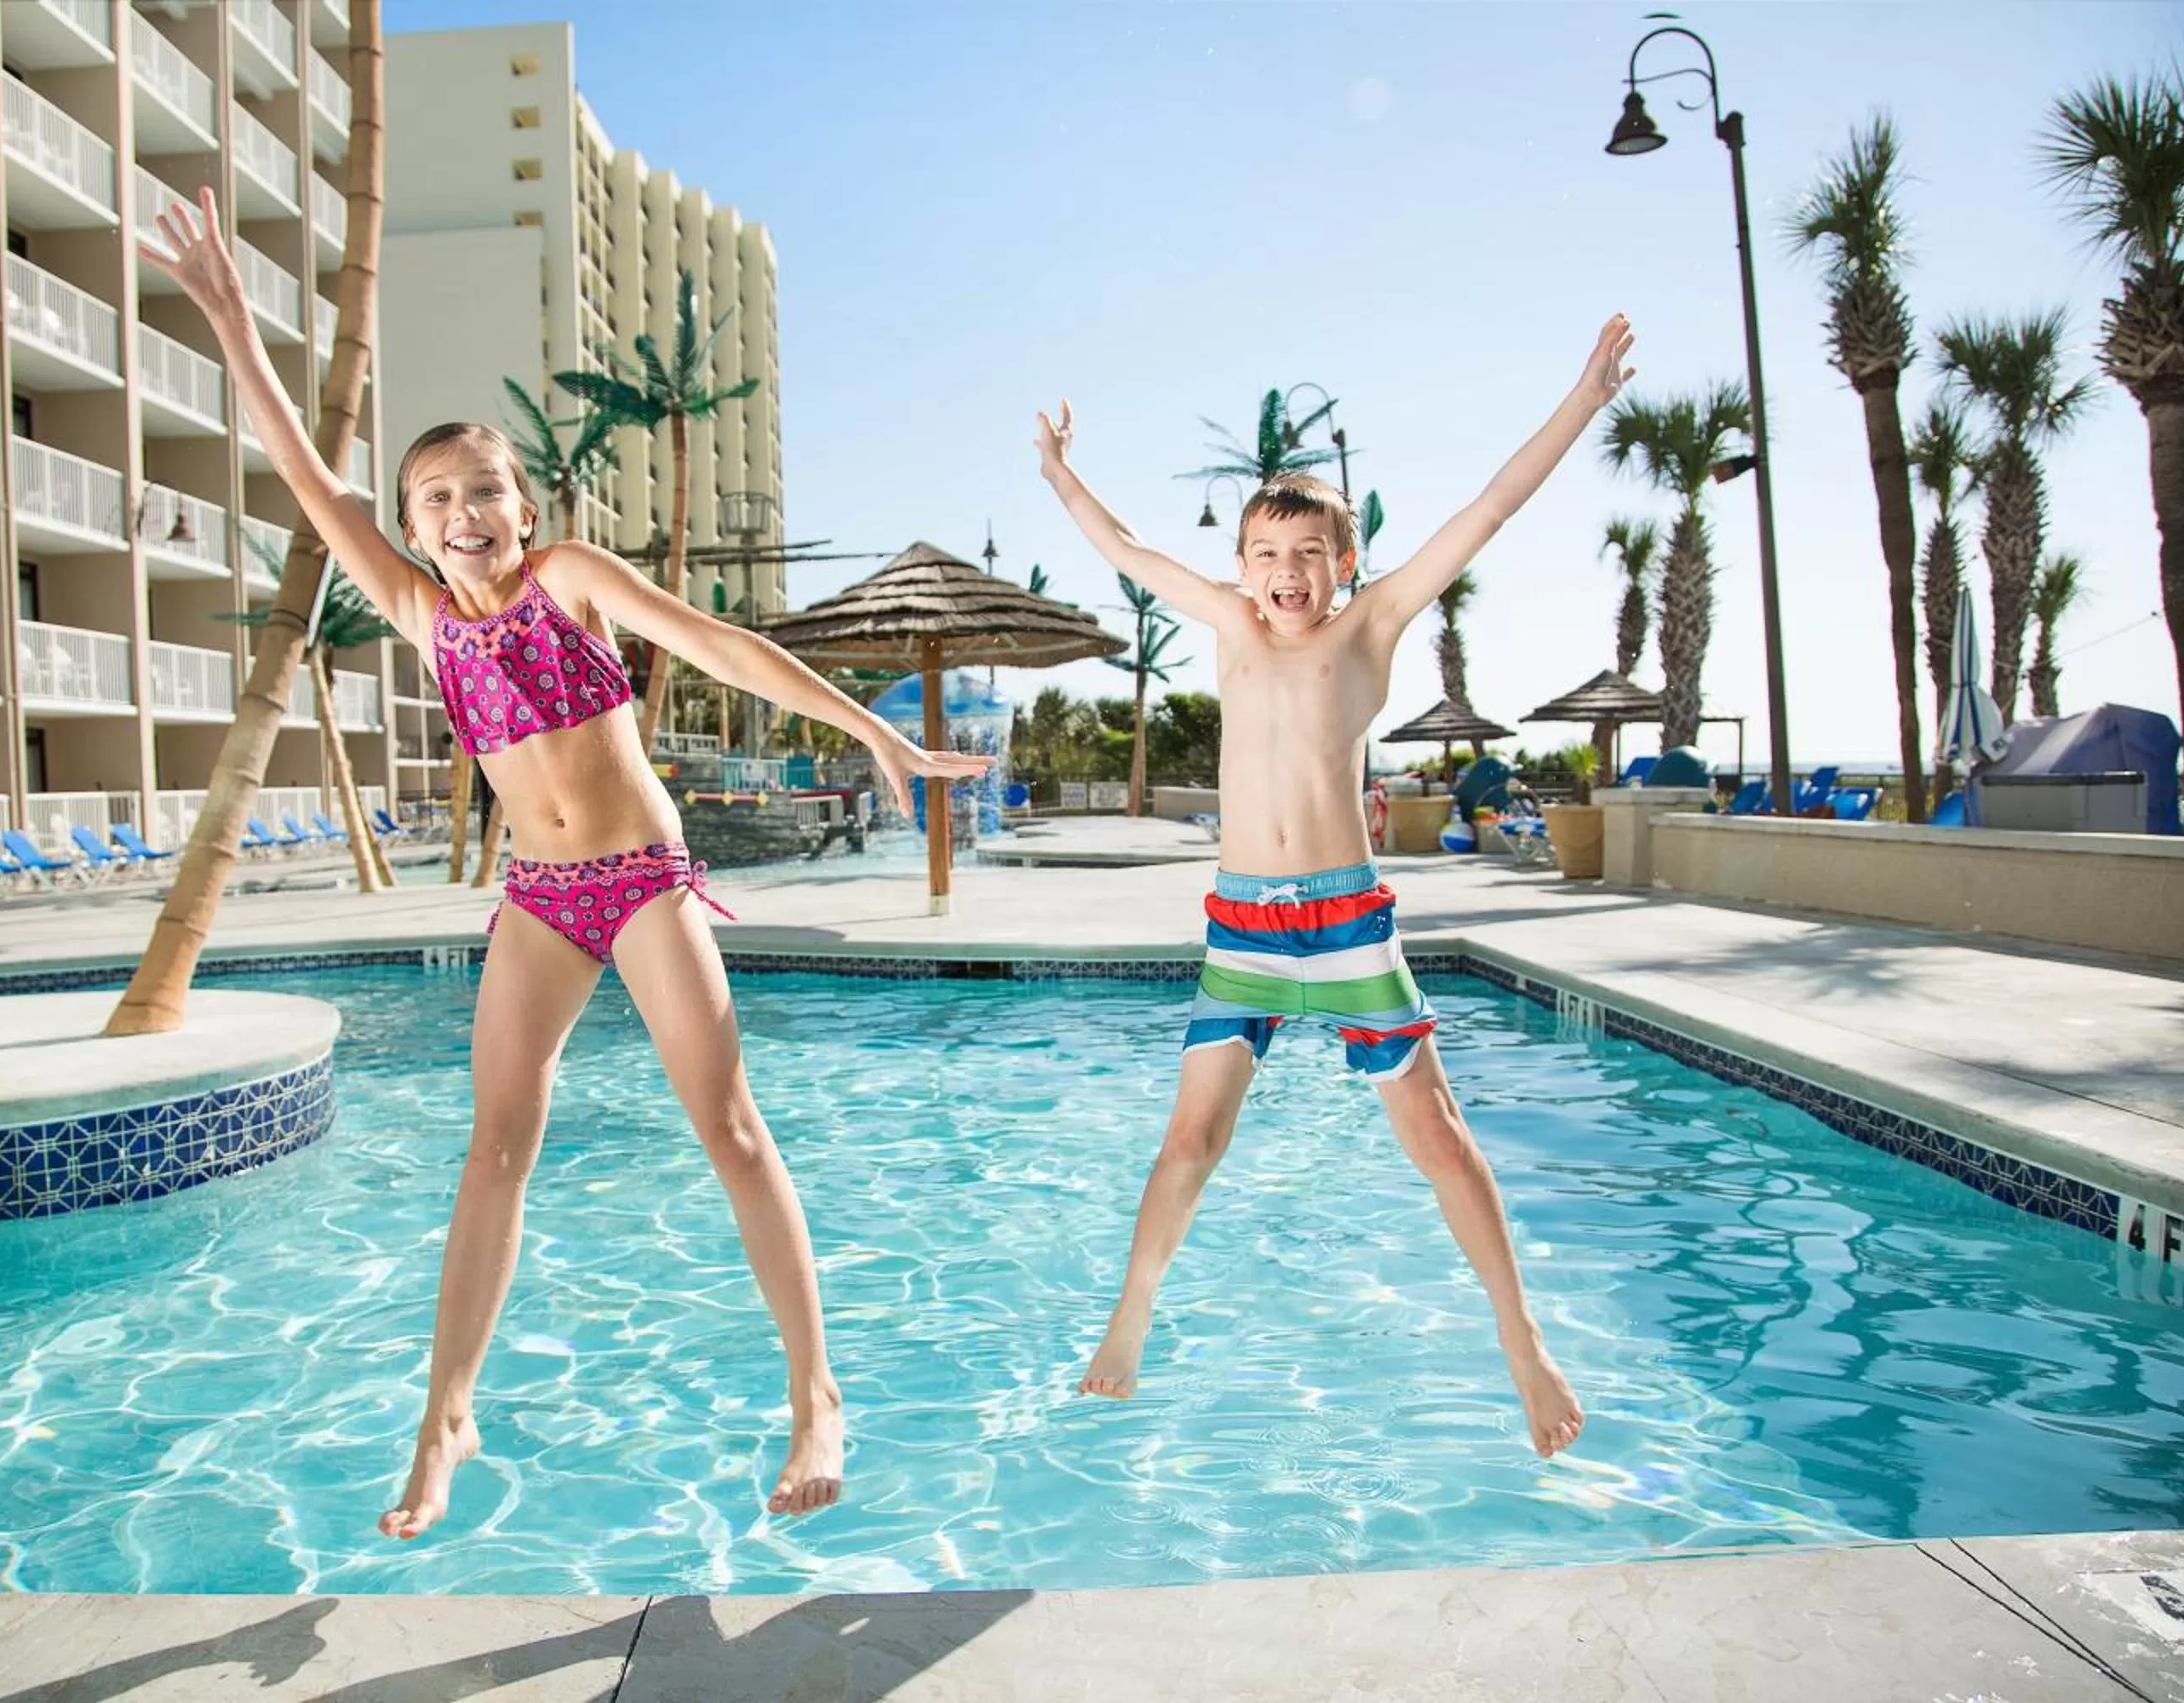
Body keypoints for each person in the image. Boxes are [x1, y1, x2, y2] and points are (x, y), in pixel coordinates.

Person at [141, 190, 990, 1535]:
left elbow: (722, 648)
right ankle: (446, 1416)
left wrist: (864, 727)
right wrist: (233, 321)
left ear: (523, 507)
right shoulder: (421, 614)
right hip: (537, 900)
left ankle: (816, 1392)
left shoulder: (572, 580)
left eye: (486, 488)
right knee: (495, 1149)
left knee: (726, 1123)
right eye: (438, 498)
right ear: (413, 529)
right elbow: (307, 472)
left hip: (643, 875)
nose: (466, 510)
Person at [1034, 316, 1635, 1458]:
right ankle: (1133, 1312)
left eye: (1307, 555)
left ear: (1344, 563)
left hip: (1348, 927)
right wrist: (1060, 470)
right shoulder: (1224, 620)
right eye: (1265, 554)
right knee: (1187, 1145)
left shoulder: (1376, 621)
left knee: (1442, 1138)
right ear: (1244, 565)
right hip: (1244, 927)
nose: (1285, 573)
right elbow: (1120, 545)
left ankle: (1522, 1340)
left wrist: (1586, 398)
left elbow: (1493, 505)